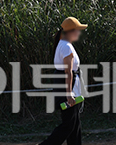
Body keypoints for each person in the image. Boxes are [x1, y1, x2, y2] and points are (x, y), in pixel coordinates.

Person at [39, 17, 87, 145]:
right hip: (67, 88)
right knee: (69, 125)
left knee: (74, 123)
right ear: (70, 31)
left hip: (67, 87)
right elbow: (68, 72)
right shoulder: (66, 47)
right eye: (77, 30)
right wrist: (69, 93)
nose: (79, 33)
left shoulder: (64, 45)